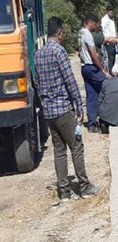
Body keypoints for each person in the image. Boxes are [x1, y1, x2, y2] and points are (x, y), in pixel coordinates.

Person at [34, 17, 99, 202]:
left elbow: (37, 83)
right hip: (63, 109)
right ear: (60, 33)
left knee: (59, 151)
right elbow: (70, 80)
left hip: (49, 113)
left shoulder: (38, 54)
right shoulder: (59, 52)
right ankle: (85, 187)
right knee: (77, 147)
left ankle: (64, 192)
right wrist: (79, 105)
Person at [80, 14, 110, 133]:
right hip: (91, 67)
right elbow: (93, 54)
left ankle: (92, 125)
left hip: (84, 67)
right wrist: (103, 70)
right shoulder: (87, 34)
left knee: (91, 95)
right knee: (108, 85)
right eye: (95, 24)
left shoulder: (80, 33)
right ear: (91, 23)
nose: (96, 26)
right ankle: (106, 119)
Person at [97, 64, 118, 134]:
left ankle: (103, 124)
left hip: (104, 115)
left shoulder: (105, 83)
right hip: (117, 119)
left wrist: (99, 113)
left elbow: (100, 100)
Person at [101, 6, 118, 72]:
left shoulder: (111, 20)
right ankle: (110, 72)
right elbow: (103, 30)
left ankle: (112, 71)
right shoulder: (104, 20)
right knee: (110, 58)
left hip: (114, 41)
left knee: (113, 57)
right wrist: (107, 39)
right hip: (109, 42)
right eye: (109, 10)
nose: (111, 12)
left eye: (112, 10)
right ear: (107, 11)